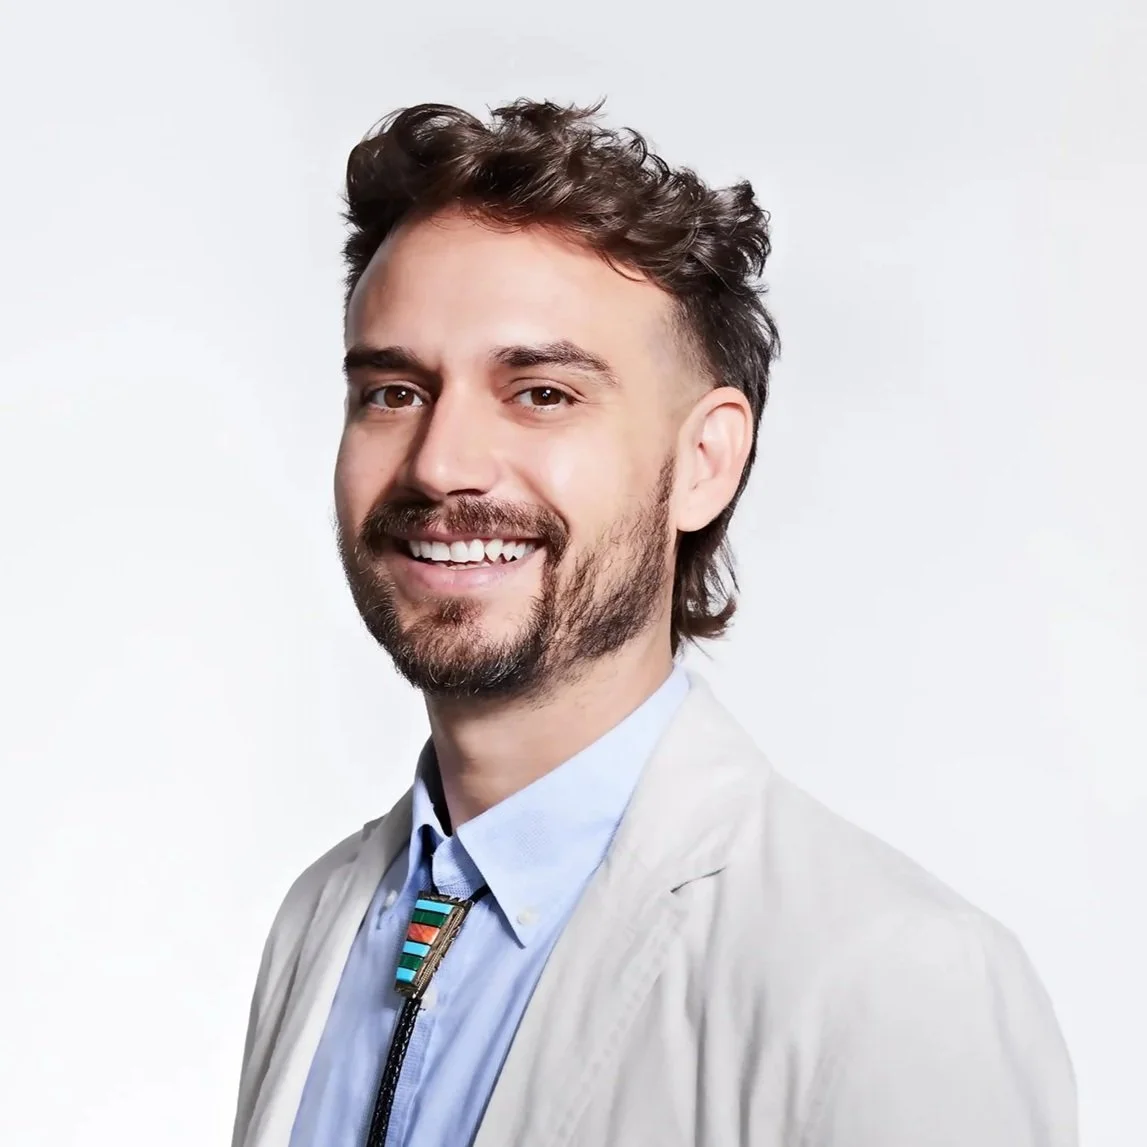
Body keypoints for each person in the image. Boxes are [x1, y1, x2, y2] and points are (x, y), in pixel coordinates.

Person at [230, 100, 1077, 1147]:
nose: (441, 464)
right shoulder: (322, 921)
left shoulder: (890, 979)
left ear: (703, 463)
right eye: (394, 391)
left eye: (540, 392)